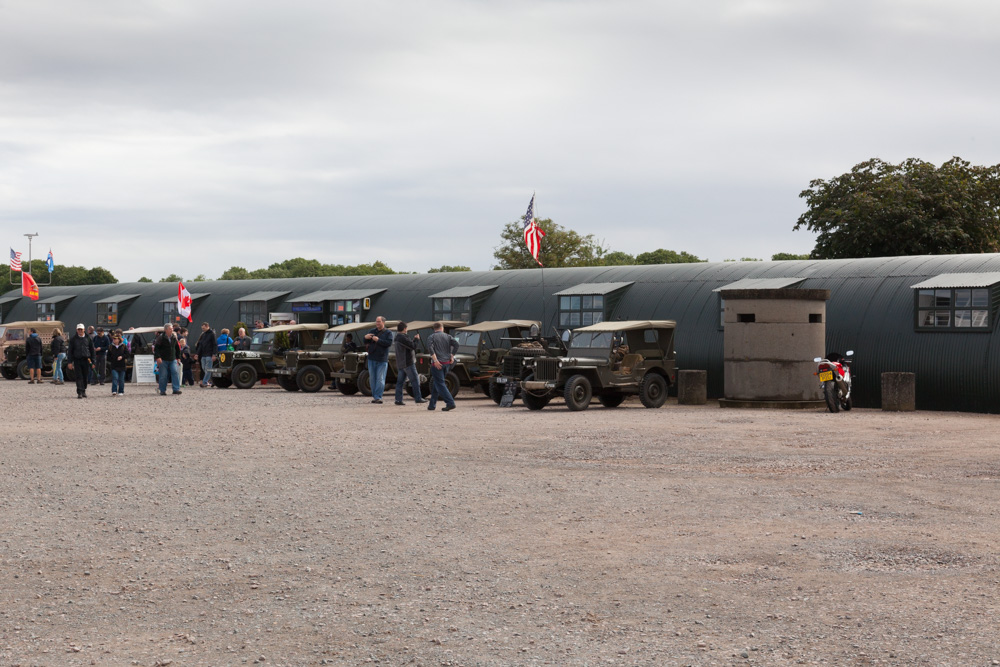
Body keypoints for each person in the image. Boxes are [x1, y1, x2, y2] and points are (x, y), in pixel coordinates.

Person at [426, 321, 458, 412]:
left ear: (434, 329)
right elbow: (456, 344)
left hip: (437, 364)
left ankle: (450, 402)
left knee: (440, 383)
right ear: (442, 328)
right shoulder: (448, 336)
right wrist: (452, 356)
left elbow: (430, 348)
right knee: (437, 382)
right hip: (447, 363)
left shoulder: (431, 337)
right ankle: (432, 405)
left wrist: (435, 360)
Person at [393, 321, 425, 405]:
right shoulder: (402, 337)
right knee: (415, 380)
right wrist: (417, 339)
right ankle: (418, 398)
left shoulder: (397, 337)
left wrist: (413, 340)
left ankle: (398, 399)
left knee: (400, 382)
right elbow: (413, 346)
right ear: (405, 329)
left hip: (400, 363)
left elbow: (409, 345)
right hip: (408, 363)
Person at [363, 316, 393, 404]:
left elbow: (389, 343)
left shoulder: (388, 333)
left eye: (379, 322)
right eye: (376, 322)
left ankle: (378, 397)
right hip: (371, 358)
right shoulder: (372, 331)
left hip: (382, 359)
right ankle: (375, 396)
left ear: (383, 322)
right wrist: (365, 337)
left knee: (380, 378)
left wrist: (378, 340)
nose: (377, 323)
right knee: (372, 378)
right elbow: (365, 342)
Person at [67, 323, 95, 398]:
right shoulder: (73, 339)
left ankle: (84, 390)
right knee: (78, 376)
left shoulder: (88, 338)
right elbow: (70, 351)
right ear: (76, 330)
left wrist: (93, 361)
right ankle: (79, 391)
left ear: (84, 330)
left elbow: (92, 350)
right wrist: (69, 362)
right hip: (77, 360)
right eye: (78, 329)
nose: (80, 331)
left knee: (85, 376)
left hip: (86, 360)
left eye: (81, 329)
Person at [154, 324, 182, 396]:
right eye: (170, 329)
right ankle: (162, 390)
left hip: (172, 359)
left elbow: (177, 348)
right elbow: (156, 348)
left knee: (175, 372)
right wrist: (158, 357)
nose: (172, 330)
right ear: (165, 330)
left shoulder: (174, 337)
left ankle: (176, 389)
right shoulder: (161, 338)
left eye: (172, 328)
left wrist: (178, 357)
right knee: (163, 375)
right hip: (163, 360)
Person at [107, 331, 130, 396]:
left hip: (122, 365)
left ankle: (121, 391)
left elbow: (127, 354)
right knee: (115, 377)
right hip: (114, 365)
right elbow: (108, 356)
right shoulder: (110, 347)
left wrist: (122, 357)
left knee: (121, 379)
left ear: (118, 339)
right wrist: (113, 359)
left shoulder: (123, 346)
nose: (114, 340)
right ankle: (114, 390)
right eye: (113, 339)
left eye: (115, 339)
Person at [195, 322, 216, 387]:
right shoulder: (204, 335)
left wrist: (214, 354)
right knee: (205, 369)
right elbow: (200, 345)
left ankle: (204, 382)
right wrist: (197, 354)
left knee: (208, 369)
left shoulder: (212, 334)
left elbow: (214, 344)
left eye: (203, 328)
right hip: (203, 354)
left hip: (209, 354)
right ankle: (212, 380)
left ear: (207, 326)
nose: (203, 329)